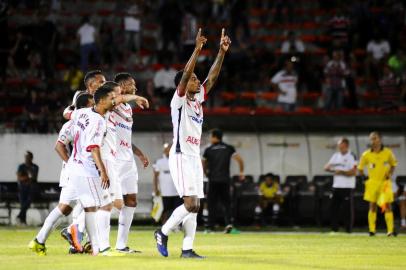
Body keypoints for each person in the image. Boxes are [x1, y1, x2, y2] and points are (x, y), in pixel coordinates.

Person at [154, 28, 231, 259]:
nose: (198, 82)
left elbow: (213, 77)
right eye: (194, 79)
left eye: (198, 79)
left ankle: (187, 249)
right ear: (184, 84)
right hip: (179, 155)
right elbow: (186, 75)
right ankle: (163, 231)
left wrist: (221, 52)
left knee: (196, 206)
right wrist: (197, 50)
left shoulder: (197, 99)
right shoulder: (177, 100)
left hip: (193, 156)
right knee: (189, 203)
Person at [29, 82, 117, 256]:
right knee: (101, 204)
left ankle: (39, 240)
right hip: (85, 169)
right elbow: (91, 147)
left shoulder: (76, 117)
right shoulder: (97, 120)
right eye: (92, 101)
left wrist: (70, 163)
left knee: (65, 208)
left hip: (72, 169)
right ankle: (87, 239)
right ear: (88, 104)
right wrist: (102, 170)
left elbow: (66, 118)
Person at [29, 93, 93, 255]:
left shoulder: (85, 121)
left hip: (77, 172)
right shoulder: (72, 124)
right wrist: (72, 164)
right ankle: (76, 235)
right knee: (94, 204)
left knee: (65, 208)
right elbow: (59, 146)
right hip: (76, 172)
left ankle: (40, 240)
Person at [202, 129, 244, 233]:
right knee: (227, 204)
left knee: (212, 204)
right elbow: (239, 159)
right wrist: (241, 172)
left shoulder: (209, 149)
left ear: (215, 137)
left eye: (211, 136)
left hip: (213, 180)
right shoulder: (229, 148)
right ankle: (229, 225)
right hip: (225, 180)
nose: (210, 138)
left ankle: (210, 228)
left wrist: (206, 173)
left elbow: (203, 163)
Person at [358, 131, 397, 236]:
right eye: (371, 139)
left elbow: (393, 164)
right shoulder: (366, 154)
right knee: (372, 206)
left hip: (384, 183)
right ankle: (372, 230)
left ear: (380, 139)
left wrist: (390, 173)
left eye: (375, 138)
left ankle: (390, 230)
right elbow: (360, 168)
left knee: (387, 206)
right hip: (372, 183)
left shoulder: (387, 152)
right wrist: (364, 179)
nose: (373, 140)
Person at [324, 138, 357, 233]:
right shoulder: (335, 155)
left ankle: (348, 230)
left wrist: (341, 172)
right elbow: (326, 167)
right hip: (336, 186)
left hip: (347, 187)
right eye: (339, 146)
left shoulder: (352, 156)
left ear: (346, 145)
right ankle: (334, 230)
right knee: (333, 208)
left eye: (341, 146)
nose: (339, 148)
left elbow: (354, 172)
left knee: (347, 210)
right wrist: (333, 170)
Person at [153, 143, 181, 224]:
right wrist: (155, 188)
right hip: (164, 191)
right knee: (164, 209)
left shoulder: (177, 160)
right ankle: (164, 224)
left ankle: (176, 225)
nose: (168, 151)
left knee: (177, 209)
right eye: (166, 149)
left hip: (176, 190)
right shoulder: (159, 162)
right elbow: (155, 176)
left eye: (169, 149)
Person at [16, 151, 39, 225]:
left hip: (32, 189)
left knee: (29, 198)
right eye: (26, 157)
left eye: (28, 157)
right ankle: (23, 220)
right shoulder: (21, 166)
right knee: (23, 200)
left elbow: (33, 178)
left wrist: (26, 178)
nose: (26, 159)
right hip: (23, 188)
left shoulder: (35, 167)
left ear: (31, 158)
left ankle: (20, 216)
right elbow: (19, 178)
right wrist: (27, 177)